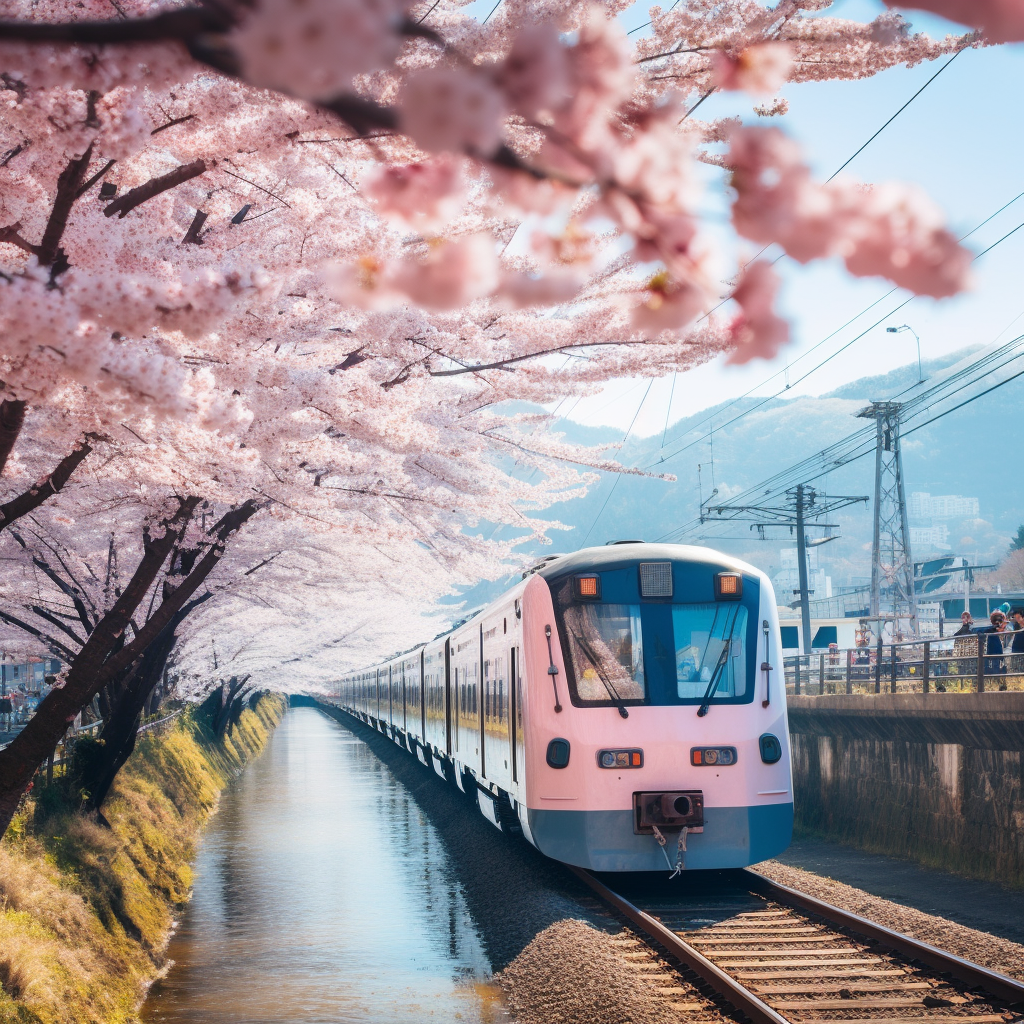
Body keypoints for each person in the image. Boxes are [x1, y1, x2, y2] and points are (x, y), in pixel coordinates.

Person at [978, 611, 1008, 681]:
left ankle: (996, 682)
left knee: (997, 668)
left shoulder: (999, 630)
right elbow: (980, 631)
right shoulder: (991, 629)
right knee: (994, 668)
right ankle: (994, 682)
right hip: (994, 653)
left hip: (998, 653)